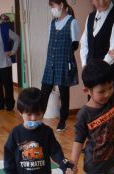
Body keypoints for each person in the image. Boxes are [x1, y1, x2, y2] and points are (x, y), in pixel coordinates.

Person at [41, 0, 79, 133]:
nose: (51, 9)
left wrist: (64, 56)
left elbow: (75, 45)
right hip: (50, 62)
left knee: (64, 94)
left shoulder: (72, 22)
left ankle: (62, 121)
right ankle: (38, 120)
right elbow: (50, 42)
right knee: (44, 92)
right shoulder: (52, 23)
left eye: (53, 6)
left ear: (61, 5)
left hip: (63, 62)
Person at [79, 0, 114, 87]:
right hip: (91, 70)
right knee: (91, 95)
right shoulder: (90, 17)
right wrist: (84, 65)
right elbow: (84, 43)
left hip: (108, 71)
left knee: (108, 95)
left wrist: (100, 71)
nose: (101, 2)